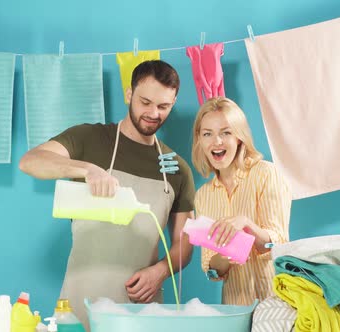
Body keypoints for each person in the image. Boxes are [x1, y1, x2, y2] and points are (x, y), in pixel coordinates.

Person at [19, 60, 195, 329]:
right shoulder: (89, 139)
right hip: (79, 305)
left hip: (140, 310)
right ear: (129, 94)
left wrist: (159, 272)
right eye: (145, 102)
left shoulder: (175, 168)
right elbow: (31, 161)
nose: (153, 113)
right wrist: (87, 169)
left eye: (163, 106)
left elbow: (185, 243)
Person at [191, 97, 291, 305]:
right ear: (199, 140)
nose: (216, 141)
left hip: (276, 304)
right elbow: (212, 270)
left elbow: (278, 244)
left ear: (239, 137)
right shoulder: (203, 195)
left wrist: (246, 224)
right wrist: (224, 253)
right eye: (207, 134)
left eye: (225, 132)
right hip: (234, 309)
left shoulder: (266, 174)